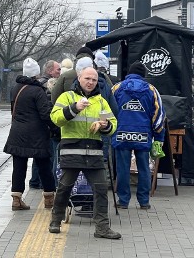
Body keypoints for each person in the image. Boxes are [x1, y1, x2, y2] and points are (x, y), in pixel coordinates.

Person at [49, 67, 121, 239]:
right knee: (65, 188)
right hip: (72, 150)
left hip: (94, 153)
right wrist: (74, 108)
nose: (90, 82)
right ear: (79, 78)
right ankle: (55, 221)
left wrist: (106, 126)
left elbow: (113, 123)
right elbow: (55, 118)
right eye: (87, 78)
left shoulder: (101, 101)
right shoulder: (67, 97)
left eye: (94, 80)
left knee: (101, 189)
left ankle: (102, 228)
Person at [3, 58, 57, 211]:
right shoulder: (38, 90)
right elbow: (45, 114)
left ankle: (16, 199)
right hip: (37, 135)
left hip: (17, 132)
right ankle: (49, 199)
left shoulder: (15, 88)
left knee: (19, 167)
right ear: (36, 74)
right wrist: (55, 128)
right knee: (44, 166)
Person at [111, 61, 165, 209]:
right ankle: (144, 201)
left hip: (121, 133)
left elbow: (108, 109)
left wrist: (110, 131)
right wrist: (159, 137)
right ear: (144, 75)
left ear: (129, 72)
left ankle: (123, 201)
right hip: (143, 135)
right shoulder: (152, 90)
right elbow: (159, 116)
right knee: (144, 169)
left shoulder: (117, 88)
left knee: (122, 169)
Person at [30, 60, 61, 189]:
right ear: (49, 71)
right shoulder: (49, 84)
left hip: (38, 125)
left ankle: (35, 181)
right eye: (58, 69)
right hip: (47, 125)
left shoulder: (37, 84)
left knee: (38, 154)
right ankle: (45, 183)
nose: (60, 72)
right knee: (48, 155)